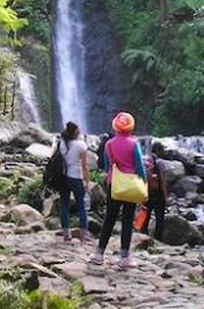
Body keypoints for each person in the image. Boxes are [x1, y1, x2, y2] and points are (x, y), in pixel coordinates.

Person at [90, 112, 146, 268]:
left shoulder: (109, 144)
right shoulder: (134, 144)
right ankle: (124, 257)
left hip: (114, 183)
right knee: (127, 220)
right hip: (130, 186)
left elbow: (108, 167)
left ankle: (98, 254)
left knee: (109, 218)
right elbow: (140, 167)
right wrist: (144, 183)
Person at [57, 122, 91, 242]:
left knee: (65, 205)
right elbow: (85, 165)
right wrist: (87, 182)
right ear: (76, 132)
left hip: (63, 178)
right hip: (76, 177)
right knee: (81, 205)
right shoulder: (81, 145)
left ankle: (66, 233)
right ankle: (84, 233)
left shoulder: (61, 144)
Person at [140, 141, 169, 241]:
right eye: (163, 150)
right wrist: (165, 197)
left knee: (145, 216)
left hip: (146, 193)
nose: (164, 152)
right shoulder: (160, 162)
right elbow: (163, 181)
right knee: (159, 218)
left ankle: (142, 236)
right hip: (158, 194)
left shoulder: (145, 161)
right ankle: (158, 240)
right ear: (158, 150)